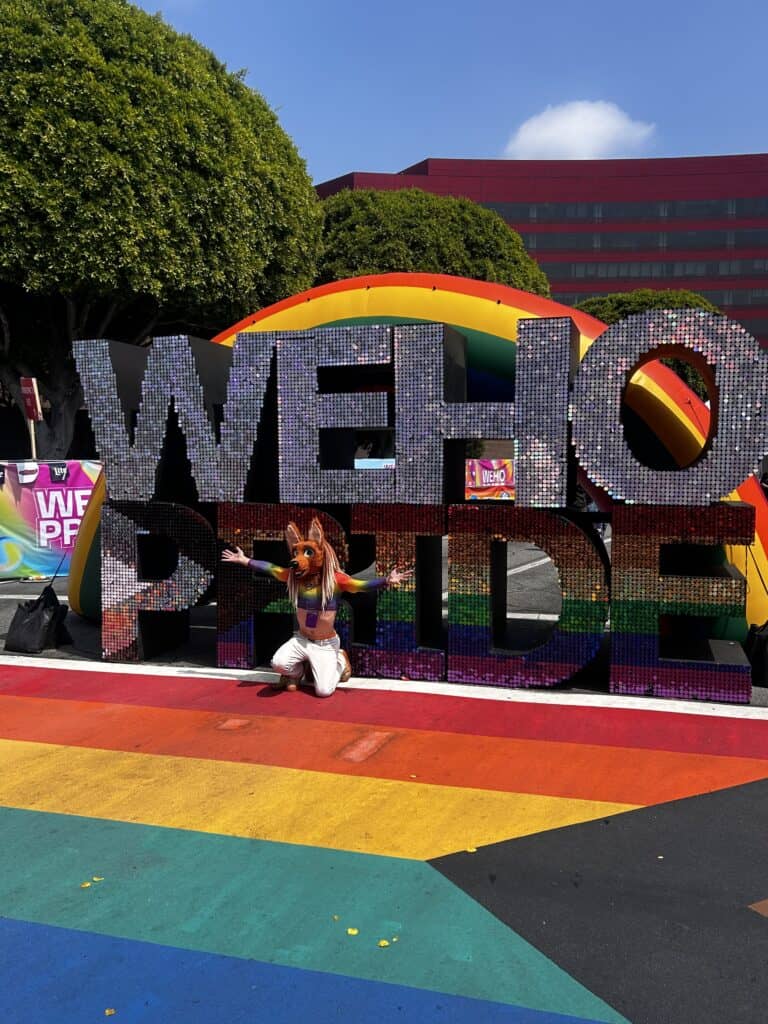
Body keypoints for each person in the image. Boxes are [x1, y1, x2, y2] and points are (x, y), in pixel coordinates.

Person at [222, 517, 412, 697]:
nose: (298, 559)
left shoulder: (335, 580)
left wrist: (386, 580)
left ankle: (340, 660)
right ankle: (297, 672)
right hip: (302, 640)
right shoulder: (294, 577)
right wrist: (245, 560)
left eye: (307, 553)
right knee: (278, 663)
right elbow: (272, 569)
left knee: (323, 691)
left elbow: (360, 585)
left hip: (325, 644)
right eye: (296, 553)